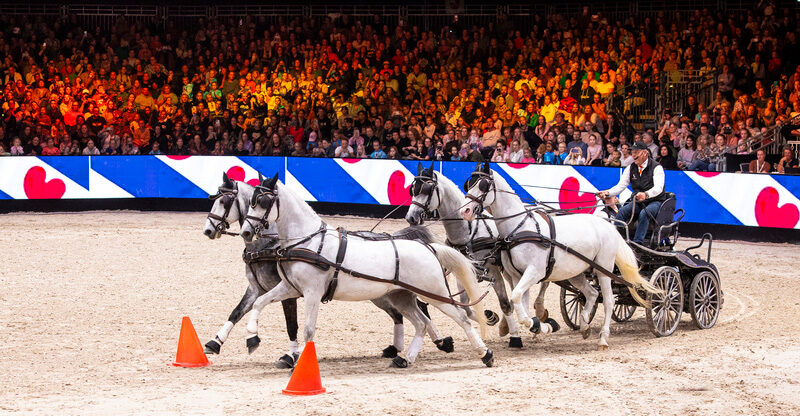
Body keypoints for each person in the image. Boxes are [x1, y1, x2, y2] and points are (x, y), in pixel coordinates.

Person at [597, 142, 666, 244]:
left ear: (645, 153)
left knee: (644, 213)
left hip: (655, 201)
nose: (633, 155)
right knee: (622, 212)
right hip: (638, 201)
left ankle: (638, 243)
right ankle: (619, 241)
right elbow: (620, 186)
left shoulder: (657, 167)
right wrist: (607, 193)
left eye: (636, 152)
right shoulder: (630, 168)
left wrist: (646, 194)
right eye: (632, 152)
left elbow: (659, 188)